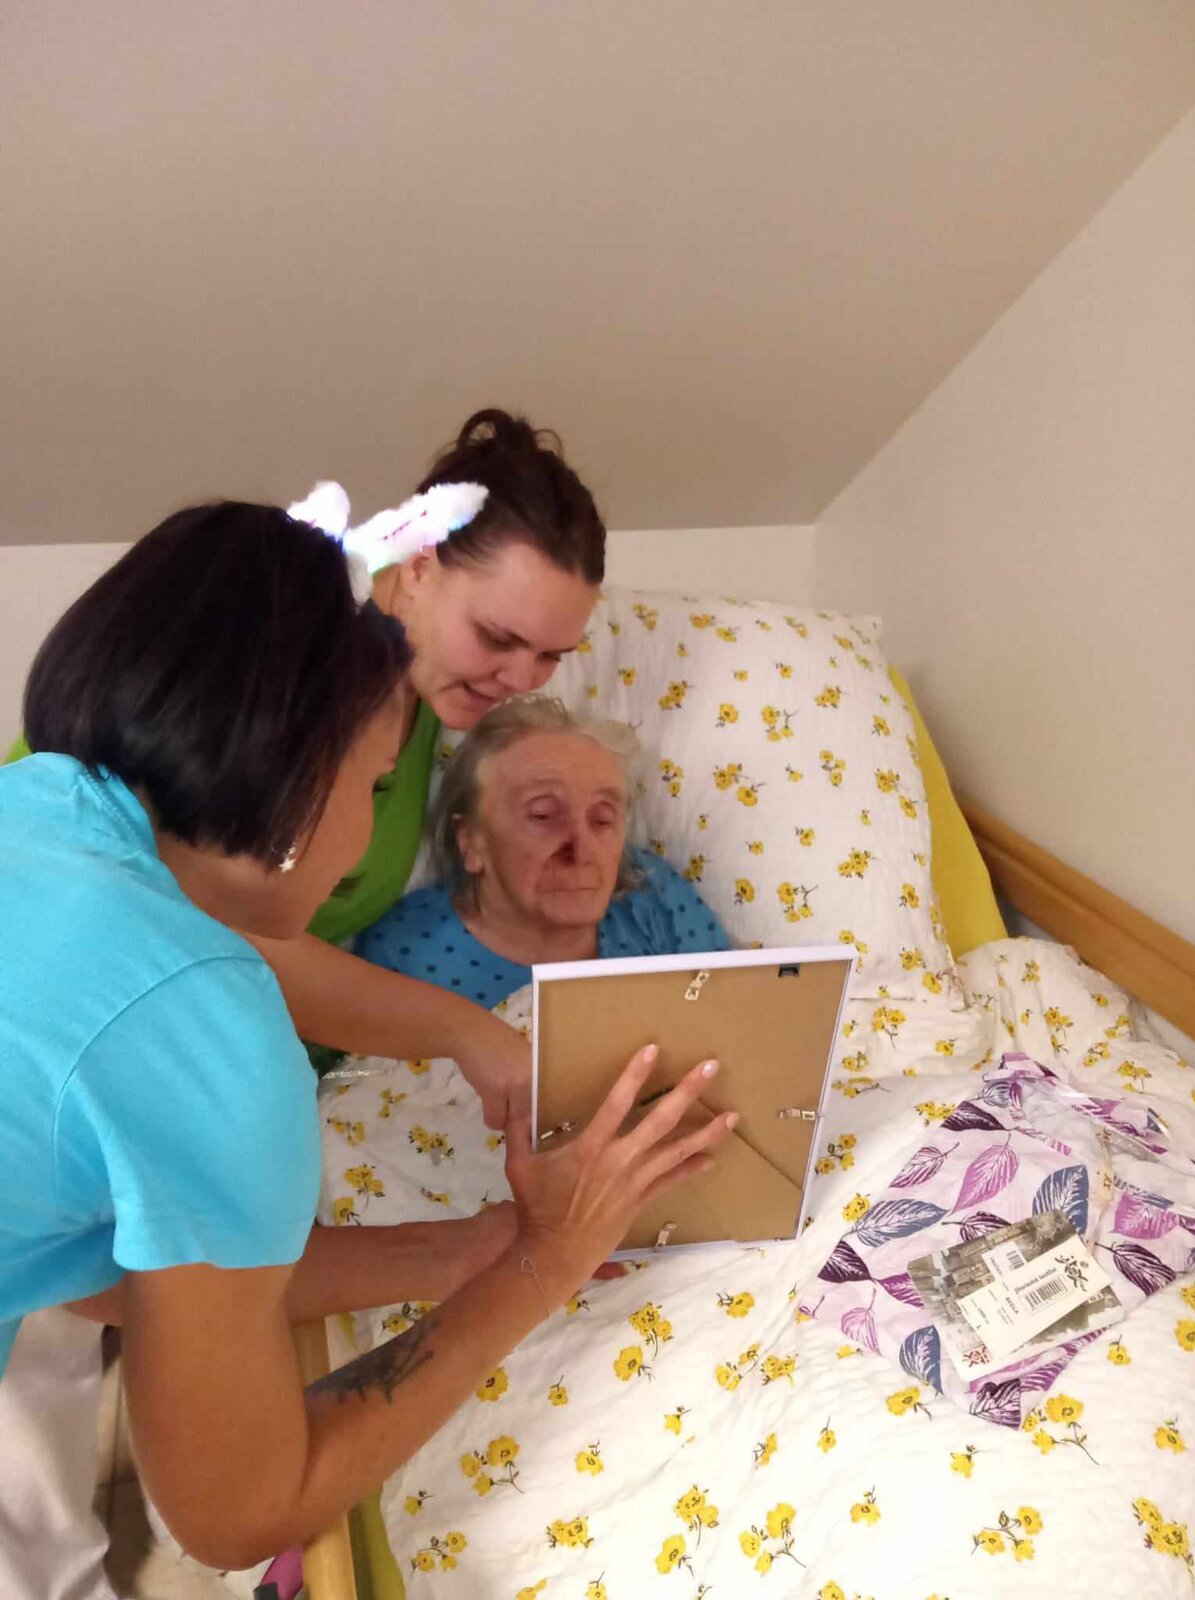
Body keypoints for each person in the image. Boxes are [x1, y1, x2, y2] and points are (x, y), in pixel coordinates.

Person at [0, 498, 735, 1571]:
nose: (370, 841)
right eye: (378, 784)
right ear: (298, 768)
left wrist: (474, 1241)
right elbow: (233, 1512)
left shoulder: (34, 807)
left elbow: (94, 1265)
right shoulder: (213, 1033)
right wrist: (543, 1263)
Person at [5, 408, 606, 1126]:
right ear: (418, 565)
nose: (521, 679)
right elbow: (188, 911)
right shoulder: (282, 650)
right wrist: (464, 1031)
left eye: (550, 656)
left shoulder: (430, 710)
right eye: (497, 638)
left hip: (273, 1068)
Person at [357, 696, 730, 1005]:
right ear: (471, 841)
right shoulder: (403, 957)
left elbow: (734, 1019)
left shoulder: (655, 897)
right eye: (543, 815)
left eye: (603, 819)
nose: (581, 850)